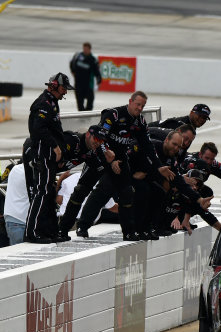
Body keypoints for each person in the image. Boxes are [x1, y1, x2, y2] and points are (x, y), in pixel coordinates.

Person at [75, 90, 173, 241]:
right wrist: (110, 159)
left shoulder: (140, 121)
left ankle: (128, 232)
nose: (140, 108)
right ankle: (82, 225)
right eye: (138, 104)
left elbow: (147, 146)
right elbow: (100, 138)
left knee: (127, 193)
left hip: (121, 159)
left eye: (143, 106)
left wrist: (159, 166)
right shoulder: (113, 115)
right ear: (130, 102)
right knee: (102, 191)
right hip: (102, 154)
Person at [24, 72, 74, 243]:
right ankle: (32, 233)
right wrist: (55, 146)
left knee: (48, 193)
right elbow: (38, 129)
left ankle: (50, 232)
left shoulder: (52, 103)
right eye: (63, 88)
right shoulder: (43, 103)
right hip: (42, 154)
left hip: (49, 156)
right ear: (54, 86)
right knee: (42, 192)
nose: (65, 92)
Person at [56, 126, 111, 240]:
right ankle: (60, 229)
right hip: (44, 166)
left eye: (101, 141)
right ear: (87, 135)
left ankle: (77, 227)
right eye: (96, 139)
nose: (97, 143)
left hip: (104, 163)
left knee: (84, 191)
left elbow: (98, 166)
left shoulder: (93, 150)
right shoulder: (72, 139)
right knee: (79, 191)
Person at [69, 42, 102, 111]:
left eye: (86, 49)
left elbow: (97, 71)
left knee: (90, 100)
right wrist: (72, 71)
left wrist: (99, 79)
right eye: (84, 49)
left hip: (88, 84)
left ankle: (88, 114)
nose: (85, 50)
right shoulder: (78, 56)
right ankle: (81, 114)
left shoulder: (93, 59)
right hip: (78, 83)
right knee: (79, 102)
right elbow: (72, 63)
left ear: (90, 49)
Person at [3, 163, 29, 245]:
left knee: (17, 254)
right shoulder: (32, 172)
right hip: (21, 220)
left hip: (12, 218)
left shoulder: (15, 169)